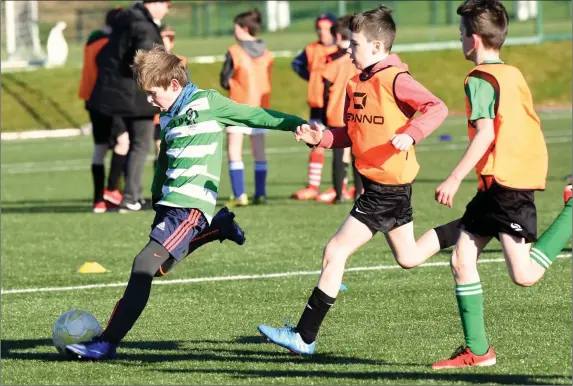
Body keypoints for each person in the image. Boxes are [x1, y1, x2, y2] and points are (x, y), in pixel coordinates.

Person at [65, 45, 309, 360]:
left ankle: (107, 342)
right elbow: (164, 159)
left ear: (174, 85)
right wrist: (156, 194)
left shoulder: (208, 103)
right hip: (169, 205)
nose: (149, 100)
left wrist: (295, 123)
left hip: (192, 207)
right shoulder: (167, 117)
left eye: (153, 93)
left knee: (143, 265)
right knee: (160, 267)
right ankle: (219, 227)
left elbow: (254, 114)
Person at [257, 6, 448, 355]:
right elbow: (351, 133)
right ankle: (470, 227)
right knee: (408, 256)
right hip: (380, 186)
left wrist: (412, 134)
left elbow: (436, 107)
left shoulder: (396, 79)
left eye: (354, 43)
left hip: (386, 188)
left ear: (377, 47)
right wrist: (321, 139)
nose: (348, 49)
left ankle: (304, 336)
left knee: (335, 251)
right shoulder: (355, 81)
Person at [430, 0, 555, 369]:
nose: (459, 41)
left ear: (474, 39)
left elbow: (485, 134)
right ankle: (479, 351)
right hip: (498, 184)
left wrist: (454, 177)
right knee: (461, 259)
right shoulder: (512, 72)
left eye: (461, 34)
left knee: (525, 275)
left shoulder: (479, 79)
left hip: (507, 184)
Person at [88, 0, 171, 212]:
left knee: (124, 145)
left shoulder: (125, 21)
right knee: (140, 144)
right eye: (166, 4)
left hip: (112, 94)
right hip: (133, 96)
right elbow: (144, 60)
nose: (167, 9)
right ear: (154, 3)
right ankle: (130, 196)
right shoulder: (143, 25)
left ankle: (116, 193)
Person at [220, 8, 273, 206]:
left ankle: (240, 195)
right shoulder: (267, 53)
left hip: (238, 107)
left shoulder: (234, 51)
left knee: (234, 150)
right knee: (259, 151)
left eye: (235, 27)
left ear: (243, 29)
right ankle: (261, 194)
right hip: (260, 108)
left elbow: (225, 80)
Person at [78, 7, 129, 213]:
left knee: (99, 148)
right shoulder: (110, 44)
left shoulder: (93, 40)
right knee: (123, 141)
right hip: (106, 100)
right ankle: (111, 189)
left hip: (90, 99)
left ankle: (98, 199)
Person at [290, 13, 339, 200]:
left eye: (326, 28)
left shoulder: (340, 49)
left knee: (340, 146)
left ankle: (340, 187)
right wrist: (312, 79)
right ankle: (313, 186)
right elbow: (296, 64)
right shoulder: (311, 49)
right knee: (315, 142)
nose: (322, 32)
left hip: (335, 103)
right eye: (319, 28)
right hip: (317, 103)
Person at [317, 15, 362, 204]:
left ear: (337, 35)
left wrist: (322, 110)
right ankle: (360, 192)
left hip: (336, 112)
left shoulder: (333, 60)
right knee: (357, 154)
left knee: (337, 152)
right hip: (358, 112)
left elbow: (325, 88)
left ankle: (339, 193)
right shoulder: (360, 59)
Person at [153, 23, 188, 167]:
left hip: (177, 113)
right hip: (157, 115)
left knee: (178, 150)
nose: (165, 42)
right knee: (161, 149)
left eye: (168, 38)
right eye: (162, 38)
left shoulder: (181, 61)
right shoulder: (152, 63)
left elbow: (186, 86)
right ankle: (160, 186)